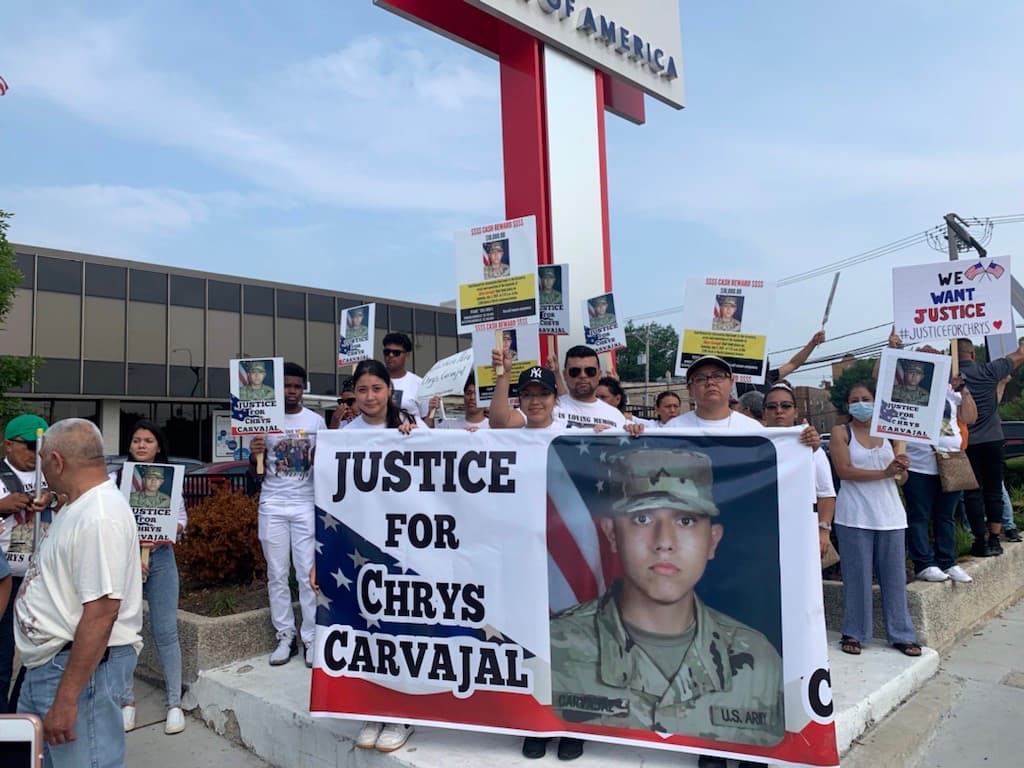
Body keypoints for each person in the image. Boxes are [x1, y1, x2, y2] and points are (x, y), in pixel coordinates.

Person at [549, 447, 784, 746]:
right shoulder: (554, 645)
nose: (664, 542)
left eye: (685, 521)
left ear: (712, 541)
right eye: (642, 519)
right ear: (611, 534)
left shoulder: (759, 659)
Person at [15, 418, 142, 768]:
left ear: (57, 461)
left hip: (75, 672)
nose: (42, 470)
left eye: (43, 460)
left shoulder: (99, 517)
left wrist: (67, 698)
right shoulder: (81, 504)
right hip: (52, 665)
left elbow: (102, 612)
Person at [343, 359, 419, 753]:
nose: (370, 397)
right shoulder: (344, 435)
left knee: (402, 627)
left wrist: (415, 440)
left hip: (406, 547)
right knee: (368, 628)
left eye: (377, 388)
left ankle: (402, 712)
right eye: (362, 390)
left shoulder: (412, 428)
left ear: (390, 390)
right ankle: (375, 707)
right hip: (361, 547)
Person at [829, 382, 920, 657]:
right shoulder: (841, 432)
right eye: (855, 400)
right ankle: (854, 632)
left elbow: (900, 479)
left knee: (895, 579)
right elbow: (844, 471)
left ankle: (902, 634)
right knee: (857, 578)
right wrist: (885, 472)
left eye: (866, 398)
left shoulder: (891, 433)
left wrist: (901, 469)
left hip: (890, 515)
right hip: (854, 515)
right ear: (848, 405)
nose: (861, 404)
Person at [113, 420, 189, 735]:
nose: (141, 445)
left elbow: (182, 521)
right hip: (124, 561)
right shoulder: (116, 480)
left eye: (148, 440)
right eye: (136, 440)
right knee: (122, 632)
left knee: (166, 631)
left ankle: (174, 704)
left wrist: (167, 530)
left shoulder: (171, 480)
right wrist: (131, 554)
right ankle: (125, 701)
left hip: (161, 558)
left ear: (158, 447)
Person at [250, 363, 327, 668]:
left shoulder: (316, 421)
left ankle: (311, 637)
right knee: (277, 574)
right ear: (278, 389)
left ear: (303, 388)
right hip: (273, 505)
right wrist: (254, 454)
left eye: (297, 386)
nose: (292, 391)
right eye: (286, 386)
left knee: (308, 575)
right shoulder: (264, 421)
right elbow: (255, 475)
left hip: (306, 504)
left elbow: (325, 466)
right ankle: (285, 635)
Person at [0, 413, 57, 713]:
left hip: (39, 579)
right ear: (8, 444)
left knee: (38, 653)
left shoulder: (50, 474)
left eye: (42, 447)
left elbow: (73, 497)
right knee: (2, 655)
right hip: (4, 579)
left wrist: (52, 498)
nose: (36, 453)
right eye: (31, 446)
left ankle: (17, 712)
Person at [956, 337, 1024, 556]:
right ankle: (995, 539)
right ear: (973, 354)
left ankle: (980, 540)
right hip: (993, 440)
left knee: (972, 494)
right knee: (994, 490)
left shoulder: (950, 379)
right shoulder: (990, 371)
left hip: (966, 442)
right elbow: (1020, 354)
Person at [761, 384, 835, 557]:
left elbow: (826, 494)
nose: (779, 411)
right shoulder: (751, 446)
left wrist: (823, 531)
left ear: (796, 412)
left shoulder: (810, 447)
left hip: (800, 530)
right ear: (764, 413)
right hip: (762, 531)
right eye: (771, 407)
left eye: (786, 406)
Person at [489, 345, 633, 431]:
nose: (583, 376)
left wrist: (635, 431)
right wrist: (503, 375)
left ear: (599, 374)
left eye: (590, 371)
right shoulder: (549, 406)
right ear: (565, 374)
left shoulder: (615, 416)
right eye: (575, 371)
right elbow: (500, 424)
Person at [735, 330, 826, 396]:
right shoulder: (738, 381)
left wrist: (812, 343)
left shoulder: (769, 377)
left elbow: (793, 364)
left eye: (767, 358)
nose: (768, 361)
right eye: (763, 358)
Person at [382, 332, 425, 417]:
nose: (390, 355)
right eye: (387, 352)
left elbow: (426, 421)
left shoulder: (419, 384)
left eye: (396, 353)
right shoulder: (374, 381)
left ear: (407, 354)